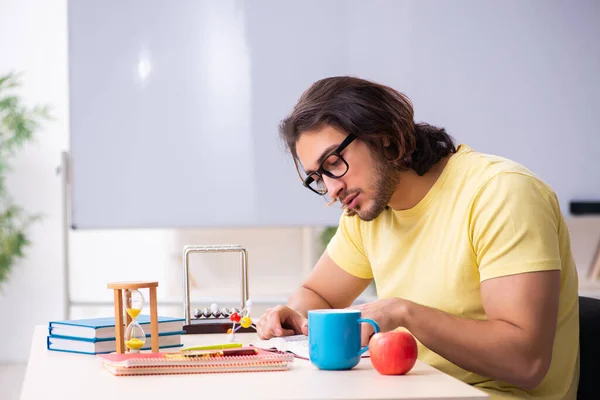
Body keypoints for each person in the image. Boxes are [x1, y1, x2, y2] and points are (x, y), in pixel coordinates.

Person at [256, 76, 579, 400]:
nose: (332, 188)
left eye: (334, 163)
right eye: (318, 177)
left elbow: (526, 362)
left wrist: (405, 313)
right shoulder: (368, 212)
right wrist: (296, 318)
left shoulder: (500, 193)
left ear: (384, 136)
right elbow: (316, 295)